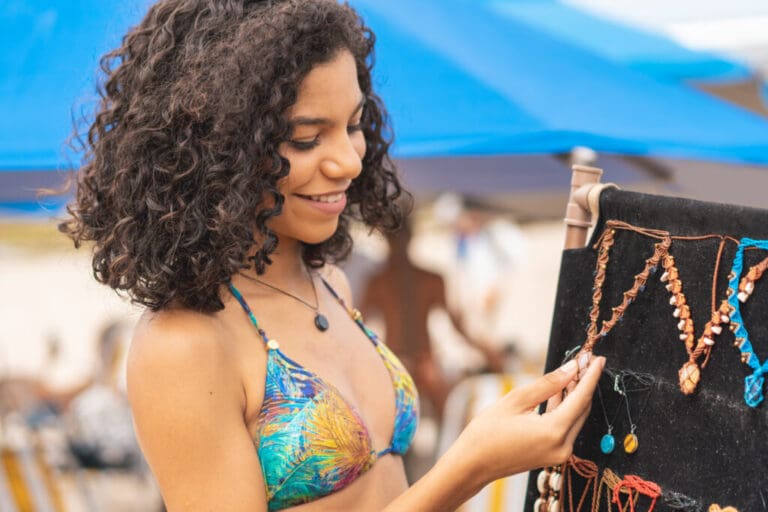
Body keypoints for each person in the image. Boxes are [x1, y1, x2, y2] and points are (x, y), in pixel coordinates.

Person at [59, 1, 604, 511]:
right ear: (215, 148)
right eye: (306, 139)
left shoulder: (331, 285)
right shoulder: (184, 343)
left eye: (353, 125)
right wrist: (469, 466)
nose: (347, 161)